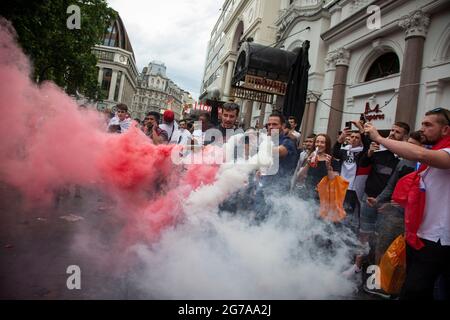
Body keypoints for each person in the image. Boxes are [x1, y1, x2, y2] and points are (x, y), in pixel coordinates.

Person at [364, 108, 450, 300]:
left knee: (416, 291)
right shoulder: (434, 151)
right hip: (420, 234)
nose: (422, 129)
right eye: (422, 124)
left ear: (445, 130)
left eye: (428, 125)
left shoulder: (444, 152)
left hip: (438, 239)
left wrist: (379, 138)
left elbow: (419, 154)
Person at [344, 121, 410, 278]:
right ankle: (357, 267)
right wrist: (369, 154)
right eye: (392, 130)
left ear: (405, 136)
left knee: (383, 241)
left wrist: (389, 203)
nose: (393, 133)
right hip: (368, 198)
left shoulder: (407, 158)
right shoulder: (379, 151)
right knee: (364, 234)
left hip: (390, 206)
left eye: (398, 132)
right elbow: (362, 164)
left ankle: (379, 275)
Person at [254, 113, 298, 221]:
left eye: (274, 124)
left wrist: (262, 145)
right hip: (264, 187)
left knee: (273, 221)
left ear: (283, 126)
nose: (270, 127)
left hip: (278, 191)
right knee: (258, 220)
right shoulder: (269, 141)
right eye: (268, 124)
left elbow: (280, 151)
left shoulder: (288, 141)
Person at [332, 124, 364, 230]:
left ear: (361, 140)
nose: (354, 139)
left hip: (353, 188)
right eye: (352, 137)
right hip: (341, 185)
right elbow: (334, 153)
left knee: (347, 213)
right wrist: (339, 140)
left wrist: (361, 129)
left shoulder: (363, 152)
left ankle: (345, 234)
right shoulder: (344, 150)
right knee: (336, 211)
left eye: (357, 138)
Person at [296, 133, 340, 202]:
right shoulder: (309, 158)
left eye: (322, 142)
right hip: (307, 195)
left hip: (324, 197)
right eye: (317, 142)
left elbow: (334, 181)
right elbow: (299, 178)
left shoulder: (333, 161)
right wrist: (308, 164)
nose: (319, 144)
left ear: (327, 145)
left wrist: (328, 167)